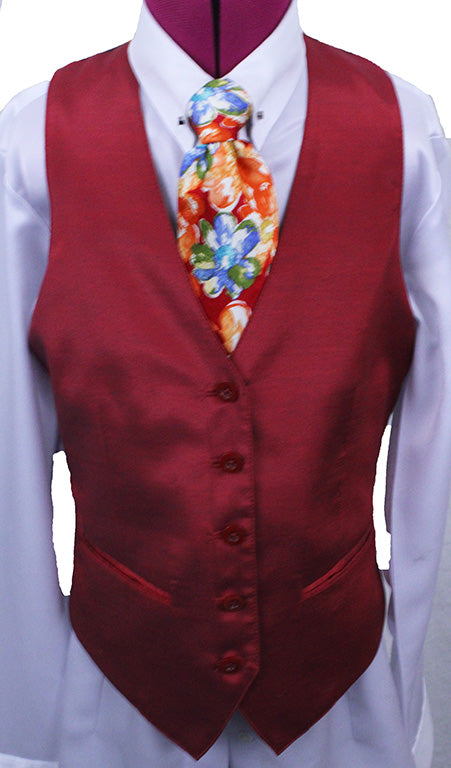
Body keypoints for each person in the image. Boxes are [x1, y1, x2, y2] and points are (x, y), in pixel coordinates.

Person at [1, 1, 451, 767]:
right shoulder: (33, 136)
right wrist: (27, 711)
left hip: (341, 697)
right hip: (114, 693)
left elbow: (438, 429)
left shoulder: (402, 128)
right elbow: (8, 435)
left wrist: (413, 686)